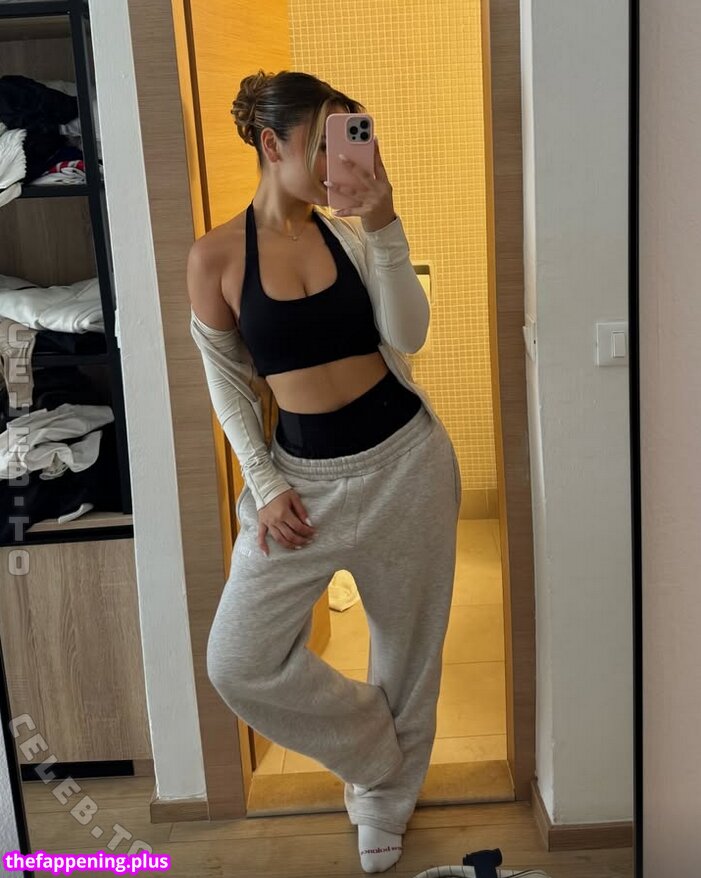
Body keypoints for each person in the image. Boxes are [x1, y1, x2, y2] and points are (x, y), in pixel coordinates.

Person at [187, 69, 462, 874]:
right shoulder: (214, 257)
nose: (341, 160)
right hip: (301, 488)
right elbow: (228, 387)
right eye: (324, 141)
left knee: (406, 651)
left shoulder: (350, 235)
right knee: (238, 662)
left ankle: (382, 802)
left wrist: (383, 223)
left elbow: (407, 338)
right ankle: (376, 752)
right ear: (272, 145)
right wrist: (267, 486)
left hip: (406, 464)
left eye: (350, 136)